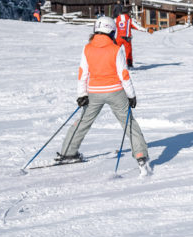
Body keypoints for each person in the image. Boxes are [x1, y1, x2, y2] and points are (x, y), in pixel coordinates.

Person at [56, 16, 151, 174]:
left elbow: (82, 73)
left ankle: (68, 152)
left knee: (83, 122)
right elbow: (124, 74)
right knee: (129, 124)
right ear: (111, 31)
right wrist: (131, 95)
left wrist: (81, 94)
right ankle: (141, 155)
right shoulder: (115, 49)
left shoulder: (87, 48)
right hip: (116, 92)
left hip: (94, 93)